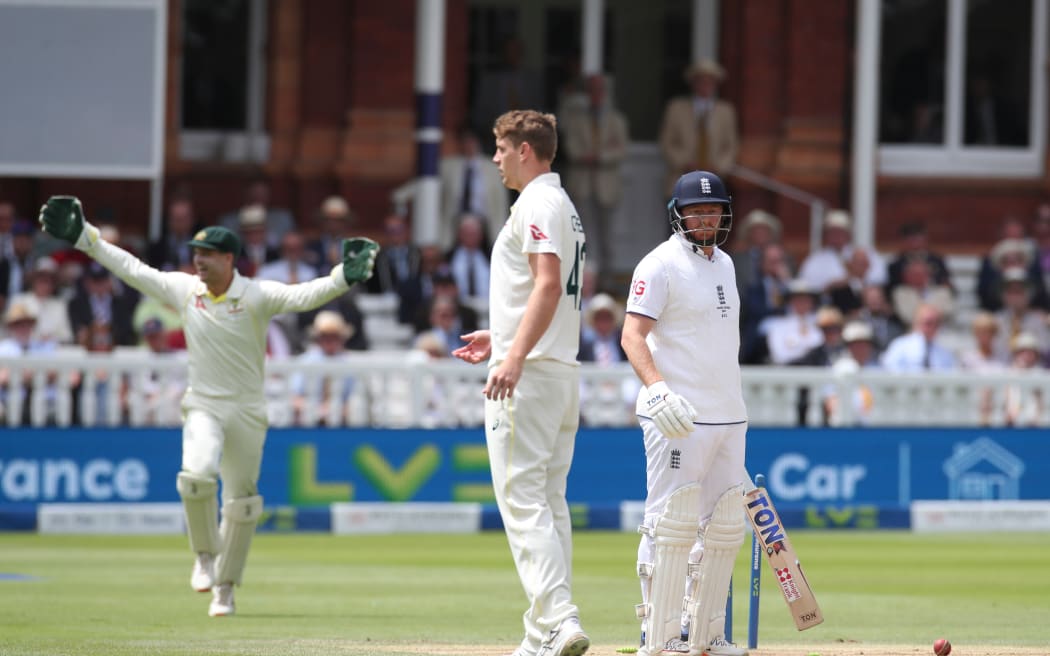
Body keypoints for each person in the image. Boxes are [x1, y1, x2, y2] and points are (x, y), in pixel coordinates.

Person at [37, 195, 378, 617]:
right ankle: (203, 555)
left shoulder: (256, 295)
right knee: (196, 477)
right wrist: (86, 239)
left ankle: (227, 587)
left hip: (248, 412)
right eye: (195, 254)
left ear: (230, 258)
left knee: (242, 503)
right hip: (203, 405)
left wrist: (344, 275)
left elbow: (305, 295)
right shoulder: (185, 290)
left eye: (208, 255)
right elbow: (132, 269)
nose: (198, 262)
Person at [451, 110, 590, 656]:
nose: (495, 159)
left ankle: (557, 619)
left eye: (501, 149)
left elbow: (548, 286)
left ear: (526, 150)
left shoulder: (537, 202)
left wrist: (512, 355)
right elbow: (542, 290)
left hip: (530, 376)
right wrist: (502, 334)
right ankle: (542, 632)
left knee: (522, 500)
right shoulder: (563, 205)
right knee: (549, 502)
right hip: (558, 372)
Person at [619, 169, 749, 656]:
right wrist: (658, 391)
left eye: (712, 210)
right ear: (678, 214)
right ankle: (659, 637)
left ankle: (707, 634)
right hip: (677, 415)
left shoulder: (727, 264)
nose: (705, 218)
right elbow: (632, 335)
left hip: (728, 414)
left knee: (723, 526)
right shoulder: (659, 265)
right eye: (696, 210)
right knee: (670, 524)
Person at [560, 72, 630, 278]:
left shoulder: (616, 120)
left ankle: (606, 282)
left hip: (607, 186)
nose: (596, 95)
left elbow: (621, 148)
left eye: (599, 91)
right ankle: (582, 279)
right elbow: (570, 147)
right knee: (582, 235)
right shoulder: (575, 119)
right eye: (592, 91)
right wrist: (585, 155)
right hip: (582, 184)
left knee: (607, 237)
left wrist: (600, 156)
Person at [658, 59, 739, 197]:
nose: (705, 85)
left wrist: (717, 167)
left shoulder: (725, 111)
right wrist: (686, 163)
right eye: (701, 81)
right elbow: (666, 142)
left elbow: (731, 146)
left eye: (710, 81)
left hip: (713, 182)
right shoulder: (677, 108)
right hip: (681, 180)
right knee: (680, 217)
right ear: (693, 83)